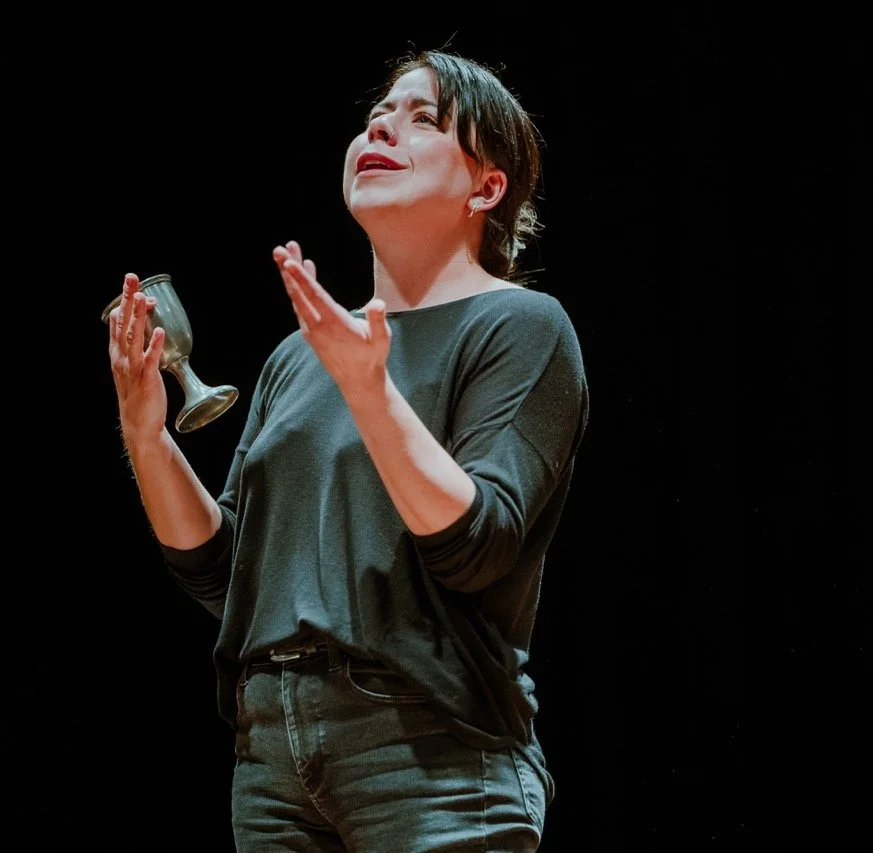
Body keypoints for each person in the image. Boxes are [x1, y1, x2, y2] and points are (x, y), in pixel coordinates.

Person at [105, 46, 588, 852]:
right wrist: (146, 436)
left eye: (424, 118)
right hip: (272, 755)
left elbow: (477, 546)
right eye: (377, 115)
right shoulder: (300, 356)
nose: (382, 128)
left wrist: (371, 392)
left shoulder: (521, 326)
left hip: (428, 746)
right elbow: (229, 574)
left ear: (486, 188)